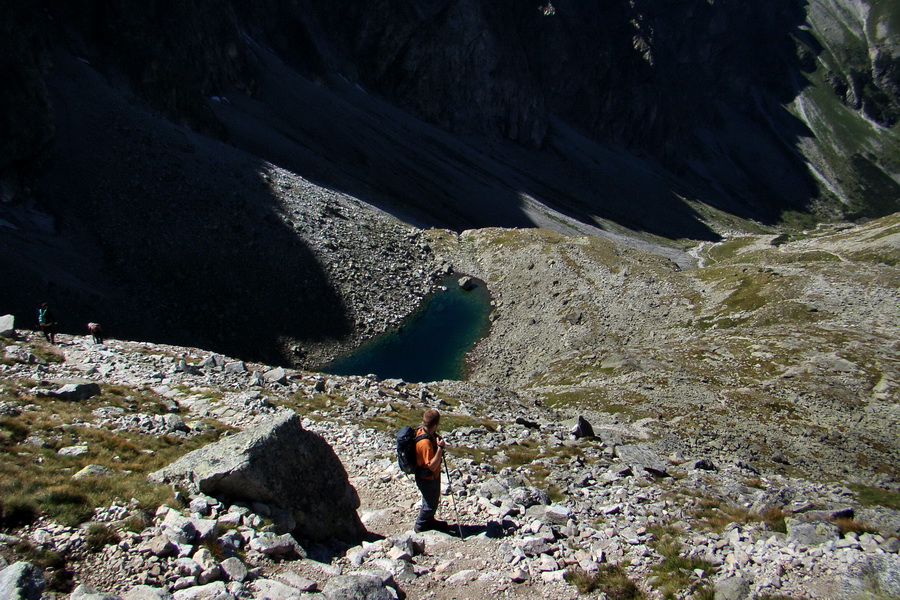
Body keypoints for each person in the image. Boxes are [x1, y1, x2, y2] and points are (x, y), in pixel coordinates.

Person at [414, 408, 449, 533]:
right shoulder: (425, 443)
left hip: (429, 477)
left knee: (431, 500)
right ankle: (420, 526)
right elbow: (432, 466)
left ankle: (430, 521)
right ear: (435, 424)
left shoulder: (423, 431)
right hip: (427, 477)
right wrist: (440, 449)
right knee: (430, 504)